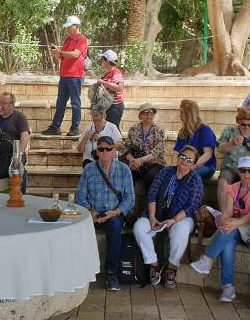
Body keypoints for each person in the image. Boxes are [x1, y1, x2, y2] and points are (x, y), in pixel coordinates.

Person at [189, 157, 250, 303]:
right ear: (238, 172)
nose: (246, 174)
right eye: (243, 170)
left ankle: (207, 259)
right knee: (227, 241)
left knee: (230, 229)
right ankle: (228, 287)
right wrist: (224, 219)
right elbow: (227, 211)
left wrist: (234, 223)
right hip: (238, 227)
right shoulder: (233, 188)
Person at [133, 145, 203, 289]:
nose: (185, 161)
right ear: (178, 157)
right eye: (183, 157)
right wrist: (152, 217)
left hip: (181, 217)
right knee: (139, 227)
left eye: (189, 160)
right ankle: (153, 264)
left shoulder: (195, 179)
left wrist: (174, 220)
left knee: (180, 230)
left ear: (193, 163)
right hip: (157, 214)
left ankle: (172, 268)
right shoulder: (166, 171)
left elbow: (192, 205)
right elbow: (152, 193)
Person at [75, 136, 135, 292]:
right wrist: (90, 211)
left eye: (109, 149)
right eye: (101, 149)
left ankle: (111, 274)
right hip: (93, 212)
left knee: (115, 227)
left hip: (115, 213)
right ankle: (80, 271)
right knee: (75, 229)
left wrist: (116, 212)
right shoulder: (89, 169)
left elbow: (130, 198)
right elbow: (80, 195)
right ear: (97, 152)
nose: (105, 152)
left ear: (114, 151)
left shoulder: (124, 169)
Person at [42, 16, 88, 137]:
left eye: (69, 26)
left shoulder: (82, 39)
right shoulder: (67, 40)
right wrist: (56, 52)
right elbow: (62, 56)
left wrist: (60, 52)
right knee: (60, 102)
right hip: (64, 75)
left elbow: (75, 54)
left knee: (75, 103)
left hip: (75, 76)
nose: (67, 28)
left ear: (76, 26)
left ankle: (75, 128)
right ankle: (55, 127)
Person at [121, 102, 166, 219]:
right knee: (127, 174)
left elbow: (157, 151)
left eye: (151, 113)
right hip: (135, 162)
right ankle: (126, 211)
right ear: (140, 115)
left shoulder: (159, 130)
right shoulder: (133, 129)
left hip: (154, 163)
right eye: (146, 113)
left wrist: (140, 160)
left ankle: (148, 212)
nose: (149, 115)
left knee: (151, 176)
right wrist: (132, 160)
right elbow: (125, 147)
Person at [217, 107, 250, 183]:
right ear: (237, 121)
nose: (247, 128)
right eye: (243, 125)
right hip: (231, 169)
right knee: (223, 182)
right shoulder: (229, 130)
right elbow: (220, 150)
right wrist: (231, 143)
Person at [174, 99, 217, 180]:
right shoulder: (182, 132)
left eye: (182, 112)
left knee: (187, 175)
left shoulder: (205, 130)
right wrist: (173, 168)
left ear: (189, 114)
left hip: (204, 165)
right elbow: (177, 153)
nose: (179, 115)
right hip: (186, 164)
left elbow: (208, 154)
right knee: (169, 173)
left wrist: (194, 166)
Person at [97, 50, 125, 129]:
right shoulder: (109, 73)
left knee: (113, 129)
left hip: (115, 106)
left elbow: (120, 88)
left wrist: (103, 82)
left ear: (107, 61)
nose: (102, 61)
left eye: (103, 59)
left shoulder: (115, 73)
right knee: (109, 129)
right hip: (109, 105)